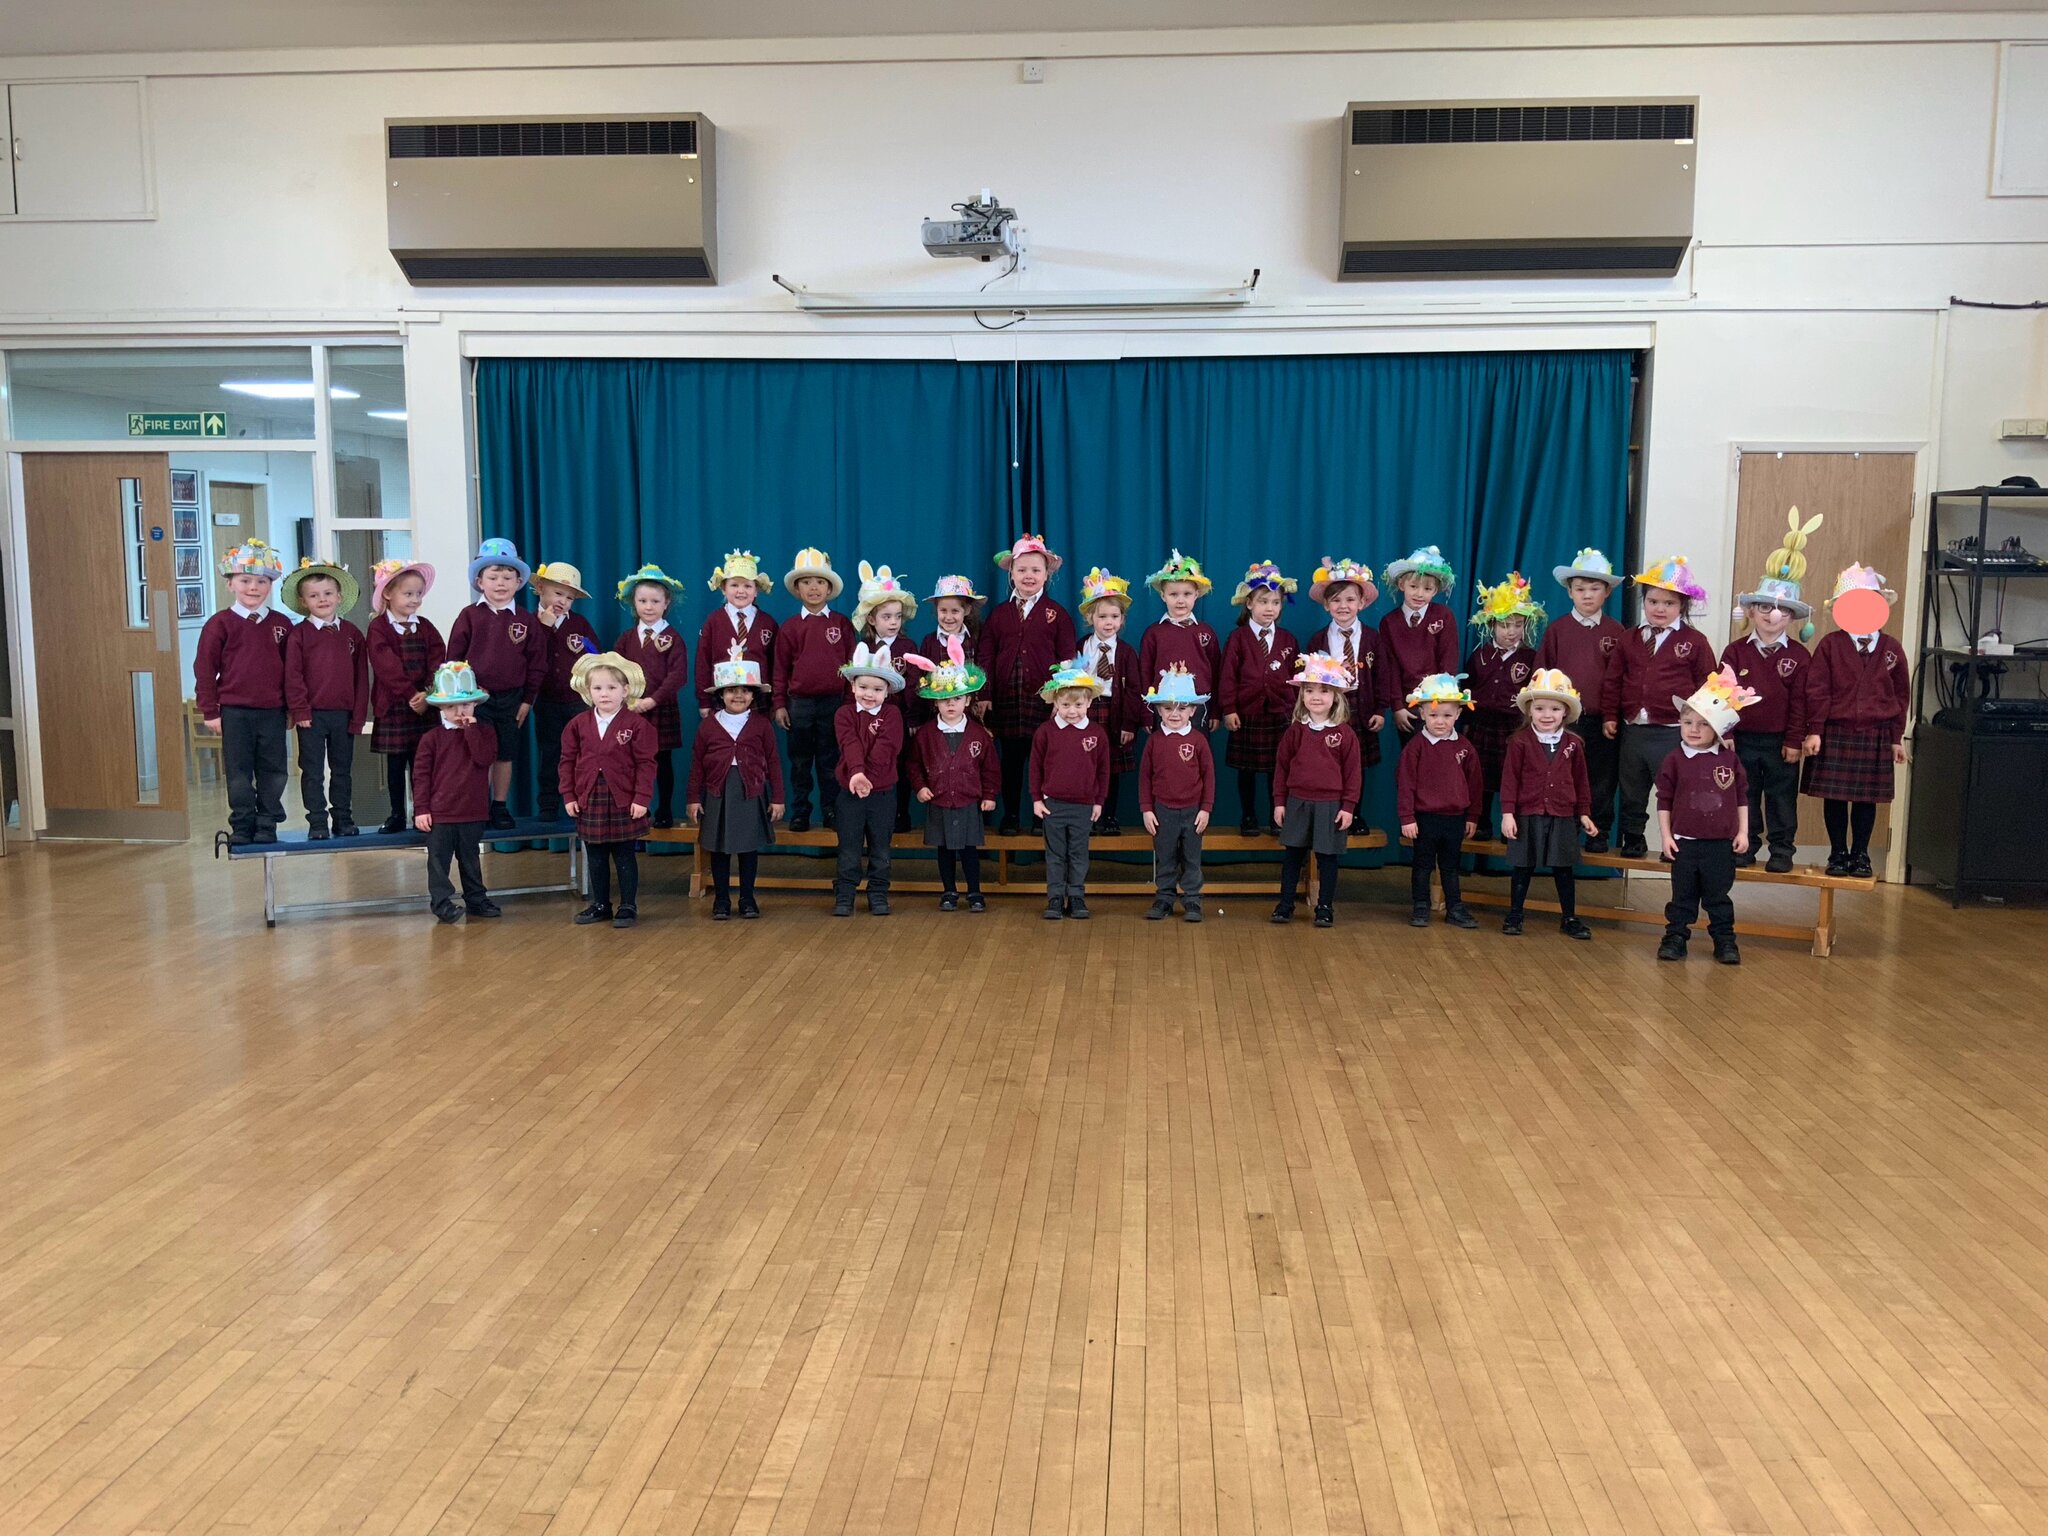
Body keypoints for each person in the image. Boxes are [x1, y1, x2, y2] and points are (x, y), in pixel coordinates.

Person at [1724, 509, 1824, 872]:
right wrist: (1728, 731)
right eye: (1764, 607)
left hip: (1781, 740)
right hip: (1744, 738)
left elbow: (1802, 700)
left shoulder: (1799, 655)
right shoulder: (1736, 651)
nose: (1771, 615)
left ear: (1793, 618)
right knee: (1745, 795)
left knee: (1781, 797)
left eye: (1781, 610)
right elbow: (1724, 694)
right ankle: (1744, 846)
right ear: (1751, 612)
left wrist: (1795, 739)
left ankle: (1782, 851)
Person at [1600, 555, 1714, 859]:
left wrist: (1706, 727)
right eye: (1653, 601)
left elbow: (1708, 687)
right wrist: (1611, 715)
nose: (1660, 609)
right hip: (1634, 730)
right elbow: (1613, 681)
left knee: (1674, 789)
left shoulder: (1695, 641)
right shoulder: (1629, 639)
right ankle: (1633, 837)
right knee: (1632, 790)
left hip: (1672, 732)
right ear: (1644, 601)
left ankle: (1674, 842)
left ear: (1683, 607)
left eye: (1669, 603)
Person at [1802, 563, 1911, 879]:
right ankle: (1837, 852)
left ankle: (1860, 854)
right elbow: (1817, 690)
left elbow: (1899, 696)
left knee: (1866, 799)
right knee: (1834, 797)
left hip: (1875, 734)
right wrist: (1815, 731)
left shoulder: (1891, 649)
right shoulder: (1830, 645)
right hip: (1835, 731)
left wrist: (1895, 737)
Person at [1657, 667, 1760, 964]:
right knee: (1682, 896)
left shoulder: (1728, 759)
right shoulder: (1674, 759)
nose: (1693, 729)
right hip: (1685, 844)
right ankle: (1676, 937)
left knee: (1718, 896)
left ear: (1717, 729)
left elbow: (1741, 797)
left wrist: (1742, 832)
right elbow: (1664, 800)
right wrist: (1667, 836)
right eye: (1687, 722)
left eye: (1703, 724)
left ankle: (1725, 941)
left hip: (1720, 845)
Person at [195, 539, 294, 846]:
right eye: (246, 580)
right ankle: (242, 823)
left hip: (273, 711)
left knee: (274, 770)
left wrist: (292, 708)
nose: (253, 587)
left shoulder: (281, 624)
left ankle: (267, 823)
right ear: (230, 584)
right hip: (235, 711)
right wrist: (210, 710)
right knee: (239, 771)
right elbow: (204, 668)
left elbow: (292, 671)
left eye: (261, 581)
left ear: (271, 585)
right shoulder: (219, 624)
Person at [445, 537, 547, 831]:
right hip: (476, 701)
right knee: (478, 754)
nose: (500, 583)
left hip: (512, 700)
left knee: (505, 754)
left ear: (518, 582)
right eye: (493, 577)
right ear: (480, 581)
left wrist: (527, 700)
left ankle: (499, 805)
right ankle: (476, 805)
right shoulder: (469, 616)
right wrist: (463, 698)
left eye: (507, 577)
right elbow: (454, 660)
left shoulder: (526, 621)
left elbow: (536, 664)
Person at [980, 535, 1077, 834]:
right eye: (1022, 570)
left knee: (1044, 760)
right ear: (1011, 574)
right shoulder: (998, 614)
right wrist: (984, 695)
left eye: (1036, 570)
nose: (1029, 576)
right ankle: (1010, 815)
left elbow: (1067, 659)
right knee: (1010, 761)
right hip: (1007, 700)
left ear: (1047, 575)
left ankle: (1041, 817)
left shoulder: (1057, 614)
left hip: (1042, 702)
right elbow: (984, 655)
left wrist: (1059, 699)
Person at [1535, 548, 1627, 850]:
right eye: (1580, 589)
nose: (1587, 595)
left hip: (1603, 721)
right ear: (1570, 592)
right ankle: (1565, 832)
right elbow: (1541, 674)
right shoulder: (1557, 630)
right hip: (1566, 721)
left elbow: (1623, 677)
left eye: (1595, 589)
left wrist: (1614, 714)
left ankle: (1598, 832)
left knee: (1601, 779)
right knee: (1565, 775)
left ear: (1607, 592)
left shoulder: (1617, 632)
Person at [1498, 667, 1599, 940]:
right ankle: (1515, 913)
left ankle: (1569, 917)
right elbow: (1509, 781)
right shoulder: (1519, 742)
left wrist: (1584, 813)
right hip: (1527, 813)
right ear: (1529, 711)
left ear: (1565, 712)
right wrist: (1508, 814)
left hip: (1562, 815)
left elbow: (1581, 781)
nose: (1547, 715)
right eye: (1540, 708)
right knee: (1523, 867)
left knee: (1564, 868)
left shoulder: (1574, 744)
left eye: (1554, 709)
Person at [687, 642, 785, 921]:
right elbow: (697, 764)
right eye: (731, 690)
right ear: (721, 695)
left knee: (746, 847)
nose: (738, 695)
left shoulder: (761, 725)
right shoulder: (708, 726)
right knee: (718, 847)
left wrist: (777, 797)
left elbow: (774, 762)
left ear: (753, 696)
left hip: (749, 791)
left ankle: (747, 897)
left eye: (744, 690)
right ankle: (720, 899)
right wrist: (694, 798)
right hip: (717, 792)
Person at [560, 651, 657, 929]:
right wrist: (569, 795)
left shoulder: (637, 725)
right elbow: (566, 761)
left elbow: (646, 765)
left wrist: (641, 798)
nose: (604, 694)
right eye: (598, 688)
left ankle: (628, 905)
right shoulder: (577, 725)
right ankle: (601, 904)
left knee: (624, 854)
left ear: (625, 691)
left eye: (612, 687)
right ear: (588, 691)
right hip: (590, 798)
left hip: (624, 800)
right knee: (597, 855)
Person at [903, 634, 1000, 912]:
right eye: (944, 700)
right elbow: (913, 764)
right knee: (944, 851)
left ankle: (975, 892)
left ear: (967, 700)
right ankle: (948, 891)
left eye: (957, 698)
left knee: (969, 851)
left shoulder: (979, 734)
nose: (950, 704)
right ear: (935, 703)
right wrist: (920, 786)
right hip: (940, 801)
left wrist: (989, 794)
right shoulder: (925, 734)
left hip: (969, 801)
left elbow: (990, 767)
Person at [1269, 652, 1361, 928]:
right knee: (1292, 856)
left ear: (1336, 697)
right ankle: (1285, 905)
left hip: (1330, 805)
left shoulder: (1345, 734)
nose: (1316, 697)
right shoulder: (1295, 732)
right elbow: (1282, 768)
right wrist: (1279, 802)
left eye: (1323, 691)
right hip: (1297, 801)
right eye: (1309, 691)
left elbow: (1353, 774)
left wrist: (1348, 807)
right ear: (1302, 696)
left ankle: (1325, 907)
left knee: (1327, 858)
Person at [281, 558, 368, 839]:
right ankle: (317, 822)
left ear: (339, 597)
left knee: (342, 770)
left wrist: (358, 716)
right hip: (312, 716)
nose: (322, 599)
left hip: (343, 715)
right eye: (314, 595)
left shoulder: (352, 634)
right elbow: (292, 676)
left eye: (328, 594)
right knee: (313, 771)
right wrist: (300, 710)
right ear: (304, 601)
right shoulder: (298, 636)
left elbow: (361, 679)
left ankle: (343, 819)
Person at [411, 661, 501, 924]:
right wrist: (422, 809)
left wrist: (471, 730)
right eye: (451, 706)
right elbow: (421, 777)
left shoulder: (484, 733)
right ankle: (441, 904)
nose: (459, 711)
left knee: (470, 859)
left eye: (466, 704)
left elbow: (485, 758)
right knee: (438, 862)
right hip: (440, 814)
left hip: (472, 810)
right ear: (440, 708)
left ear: (475, 705)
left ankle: (476, 899)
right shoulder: (431, 739)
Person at [1216, 561, 1301, 836]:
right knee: (1247, 770)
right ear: (1249, 604)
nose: (1269, 608)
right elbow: (1227, 676)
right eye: (1263, 601)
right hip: (1247, 713)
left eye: (1275, 602)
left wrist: (1297, 711)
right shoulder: (1238, 638)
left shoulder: (1288, 640)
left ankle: (1276, 816)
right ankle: (1249, 816)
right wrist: (1229, 708)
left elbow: (1297, 678)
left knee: (1277, 769)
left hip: (1280, 714)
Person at [772, 546, 853, 833]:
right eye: (807, 582)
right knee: (800, 762)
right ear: (797, 588)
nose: (814, 588)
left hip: (834, 703)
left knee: (831, 761)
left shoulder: (842, 624)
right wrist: (780, 704)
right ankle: (801, 812)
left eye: (820, 582)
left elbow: (853, 667)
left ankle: (831, 810)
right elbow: (780, 669)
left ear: (829, 587)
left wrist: (849, 702)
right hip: (800, 704)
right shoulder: (790, 627)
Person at [1397, 673, 1484, 930]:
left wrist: (1472, 816)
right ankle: (1420, 905)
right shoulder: (1415, 747)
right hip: (1424, 818)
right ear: (1422, 714)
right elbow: (1405, 784)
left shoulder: (1465, 748)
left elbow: (1475, 785)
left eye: (1447, 715)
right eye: (1434, 715)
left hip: (1455, 818)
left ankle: (1454, 907)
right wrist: (1407, 817)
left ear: (1458, 715)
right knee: (1422, 865)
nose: (1440, 721)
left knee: (1450, 866)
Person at [365, 557, 445, 834]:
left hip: (424, 705)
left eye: (418, 594)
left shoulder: (425, 626)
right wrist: (411, 694)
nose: (414, 600)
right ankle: (397, 813)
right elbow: (385, 665)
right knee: (396, 765)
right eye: (408, 594)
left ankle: (423, 813)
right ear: (388, 593)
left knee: (423, 763)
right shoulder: (378, 628)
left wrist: (427, 692)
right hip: (395, 707)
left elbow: (438, 658)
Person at [1463, 572, 1543, 832]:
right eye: (1504, 625)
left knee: (1514, 776)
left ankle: (1513, 827)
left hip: (1514, 727)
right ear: (1492, 625)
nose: (1511, 631)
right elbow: (1465, 691)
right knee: (1481, 778)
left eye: (1518, 624)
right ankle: (1482, 821)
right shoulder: (1479, 656)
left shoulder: (1531, 657)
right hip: (1481, 726)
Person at [1031, 660, 1110, 920]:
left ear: (1089, 703)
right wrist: (1036, 799)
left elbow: (1103, 771)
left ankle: (1076, 896)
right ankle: (1055, 898)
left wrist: (1098, 802)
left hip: (1084, 806)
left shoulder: (1097, 734)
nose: (1072, 711)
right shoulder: (1045, 732)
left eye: (1078, 705)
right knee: (1055, 855)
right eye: (1065, 705)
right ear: (1055, 703)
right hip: (1052, 804)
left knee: (1078, 854)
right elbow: (1035, 768)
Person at [832, 643, 905, 917]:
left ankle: (878, 894)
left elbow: (887, 749)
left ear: (887, 691)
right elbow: (849, 743)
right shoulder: (844, 714)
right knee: (849, 847)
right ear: (853, 687)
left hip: (882, 793)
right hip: (849, 792)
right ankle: (845, 896)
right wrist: (857, 774)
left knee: (880, 848)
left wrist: (867, 778)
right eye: (863, 687)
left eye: (877, 689)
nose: (869, 694)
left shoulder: (892, 715)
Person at [614, 563, 689, 828]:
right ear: (633, 602)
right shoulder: (625, 639)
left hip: (660, 707)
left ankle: (665, 809)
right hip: (631, 709)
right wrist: (627, 700)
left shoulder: (673, 638)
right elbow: (616, 671)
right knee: (632, 760)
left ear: (666, 602)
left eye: (655, 601)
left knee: (662, 761)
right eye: (642, 600)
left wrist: (653, 699)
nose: (648, 606)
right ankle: (637, 808)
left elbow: (677, 676)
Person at [1140, 665, 1215, 923]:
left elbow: (1209, 777)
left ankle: (1192, 900)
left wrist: (1205, 808)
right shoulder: (1154, 741)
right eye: (1168, 707)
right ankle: (1164, 898)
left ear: (1193, 711)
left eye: (1182, 708)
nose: (1175, 714)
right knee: (1166, 857)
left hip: (1193, 811)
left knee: (1192, 858)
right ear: (1159, 709)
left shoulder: (1198, 741)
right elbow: (1144, 778)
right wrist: (1147, 809)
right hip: (1163, 810)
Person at [1073, 567, 1144, 834]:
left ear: (1122, 620)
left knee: (1111, 770)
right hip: (1087, 712)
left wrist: (1129, 724)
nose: (1108, 622)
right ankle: (1089, 818)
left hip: (1115, 714)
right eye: (1102, 616)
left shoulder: (1126, 653)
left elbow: (1134, 690)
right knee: (1086, 766)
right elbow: (1071, 680)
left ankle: (1110, 816)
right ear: (1090, 617)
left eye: (1115, 616)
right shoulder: (1080, 646)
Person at [850, 562, 919, 832]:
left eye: (897, 617)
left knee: (898, 764)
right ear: (871, 619)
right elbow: (854, 683)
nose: (893, 622)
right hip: (867, 718)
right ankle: (867, 818)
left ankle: (899, 813)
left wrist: (912, 717)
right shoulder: (863, 648)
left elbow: (913, 683)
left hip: (899, 719)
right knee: (867, 761)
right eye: (886, 617)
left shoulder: (907, 647)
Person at [531, 561, 598, 824]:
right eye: (558, 593)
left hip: (577, 701)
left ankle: (582, 802)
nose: (563, 601)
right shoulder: (530, 622)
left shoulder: (579, 624)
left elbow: (595, 654)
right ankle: (548, 805)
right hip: (546, 701)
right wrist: (544, 627)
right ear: (540, 588)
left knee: (581, 752)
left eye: (569, 597)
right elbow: (530, 655)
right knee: (549, 753)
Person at [1378, 545, 1460, 748]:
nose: (1419, 594)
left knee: (1439, 755)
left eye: (1427, 589)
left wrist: (1441, 703)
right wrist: (1397, 706)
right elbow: (1391, 666)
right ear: (1401, 584)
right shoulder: (1389, 622)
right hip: (1408, 706)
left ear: (1436, 591)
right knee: (1411, 756)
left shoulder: (1444, 617)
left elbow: (1448, 661)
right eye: (1414, 586)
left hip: (1437, 704)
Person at [1137, 550, 1221, 725]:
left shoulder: (1206, 632)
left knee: (1196, 749)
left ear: (1196, 595)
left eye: (1187, 594)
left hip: (1198, 707)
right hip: (1162, 707)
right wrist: (1146, 713)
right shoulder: (1153, 633)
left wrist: (1215, 711)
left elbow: (1216, 672)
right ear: (1163, 596)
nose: (1180, 600)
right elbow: (1144, 674)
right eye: (1173, 594)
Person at [693, 550, 778, 714]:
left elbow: (776, 664)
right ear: (723, 588)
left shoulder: (768, 623)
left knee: (757, 737)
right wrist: (704, 701)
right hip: (721, 695)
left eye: (747, 586)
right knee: (723, 739)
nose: (741, 591)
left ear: (756, 591)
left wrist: (776, 701)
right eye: (734, 585)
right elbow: (702, 662)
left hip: (758, 698)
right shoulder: (713, 621)